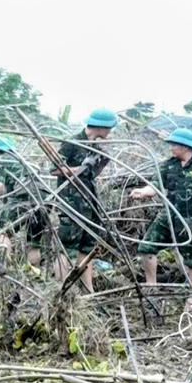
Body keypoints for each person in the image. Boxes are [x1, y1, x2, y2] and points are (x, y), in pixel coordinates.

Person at [130, 128, 192, 312]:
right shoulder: (169, 165)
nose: (171, 147)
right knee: (146, 247)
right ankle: (151, 288)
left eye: (174, 144)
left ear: (186, 147)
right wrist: (142, 193)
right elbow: (155, 186)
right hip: (170, 214)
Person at [52, 108, 117, 292]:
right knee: (67, 248)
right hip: (71, 203)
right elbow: (55, 170)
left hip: (89, 202)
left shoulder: (94, 145)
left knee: (86, 247)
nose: (110, 133)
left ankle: (88, 292)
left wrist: (102, 161)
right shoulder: (72, 143)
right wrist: (79, 167)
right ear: (101, 127)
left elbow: (91, 175)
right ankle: (60, 292)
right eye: (109, 128)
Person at [0, 138, 48, 268]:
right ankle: (33, 274)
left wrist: (4, 199)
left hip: (21, 200)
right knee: (34, 242)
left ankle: (7, 268)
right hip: (44, 200)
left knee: (2, 232)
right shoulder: (24, 161)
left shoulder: (1, 160)